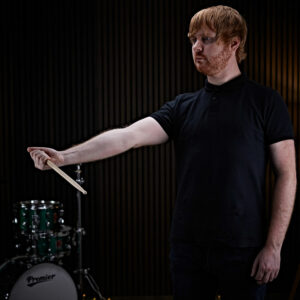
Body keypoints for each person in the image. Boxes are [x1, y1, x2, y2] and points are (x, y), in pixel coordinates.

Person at [28, 5, 297, 300]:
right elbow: (127, 136)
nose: (196, 47)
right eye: (193, 39)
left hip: (245, 249)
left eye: (206, 39)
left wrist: (273, 246)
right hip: (188, 250)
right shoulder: (183, 107)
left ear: (234, 43)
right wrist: (63, 157)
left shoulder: (265, 102)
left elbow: (287, 174)